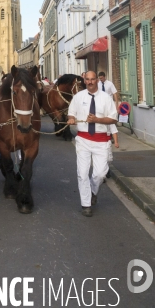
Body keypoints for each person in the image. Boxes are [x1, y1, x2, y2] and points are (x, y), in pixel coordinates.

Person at [67, 71, 117, 217]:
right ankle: (86, 204)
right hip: (83, 140)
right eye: (87, 79)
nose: (89, 82)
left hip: (101, 141)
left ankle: (93, 191)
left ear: (97, 80)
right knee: (82, 174)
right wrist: (71, 119)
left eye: (92, 79)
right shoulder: (78, 97)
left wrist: (97, 120)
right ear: (84, 80)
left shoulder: (106, 98)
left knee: (100, 174)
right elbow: (72, 113)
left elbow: (113, 119)